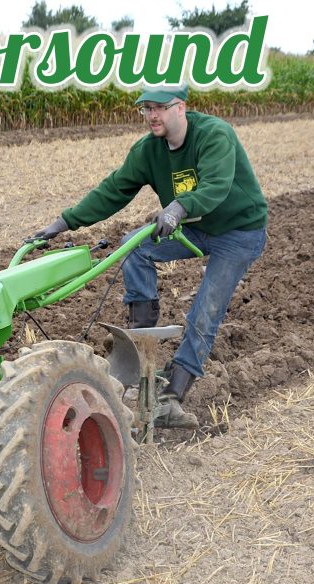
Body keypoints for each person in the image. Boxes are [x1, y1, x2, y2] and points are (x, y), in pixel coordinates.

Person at [32, 85, 268, 428]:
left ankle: (172, 397)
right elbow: (113, 190)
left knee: (205, 312)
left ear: (180, 107)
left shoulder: (214, 135)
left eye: (159, 108)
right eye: (146, 109)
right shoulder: (148, 150)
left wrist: (177, 207)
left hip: (239, 230)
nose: (151, 116)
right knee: (134, 245)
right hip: (195, 227)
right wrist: (63, 223)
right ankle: (141, 344)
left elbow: (215, 186)